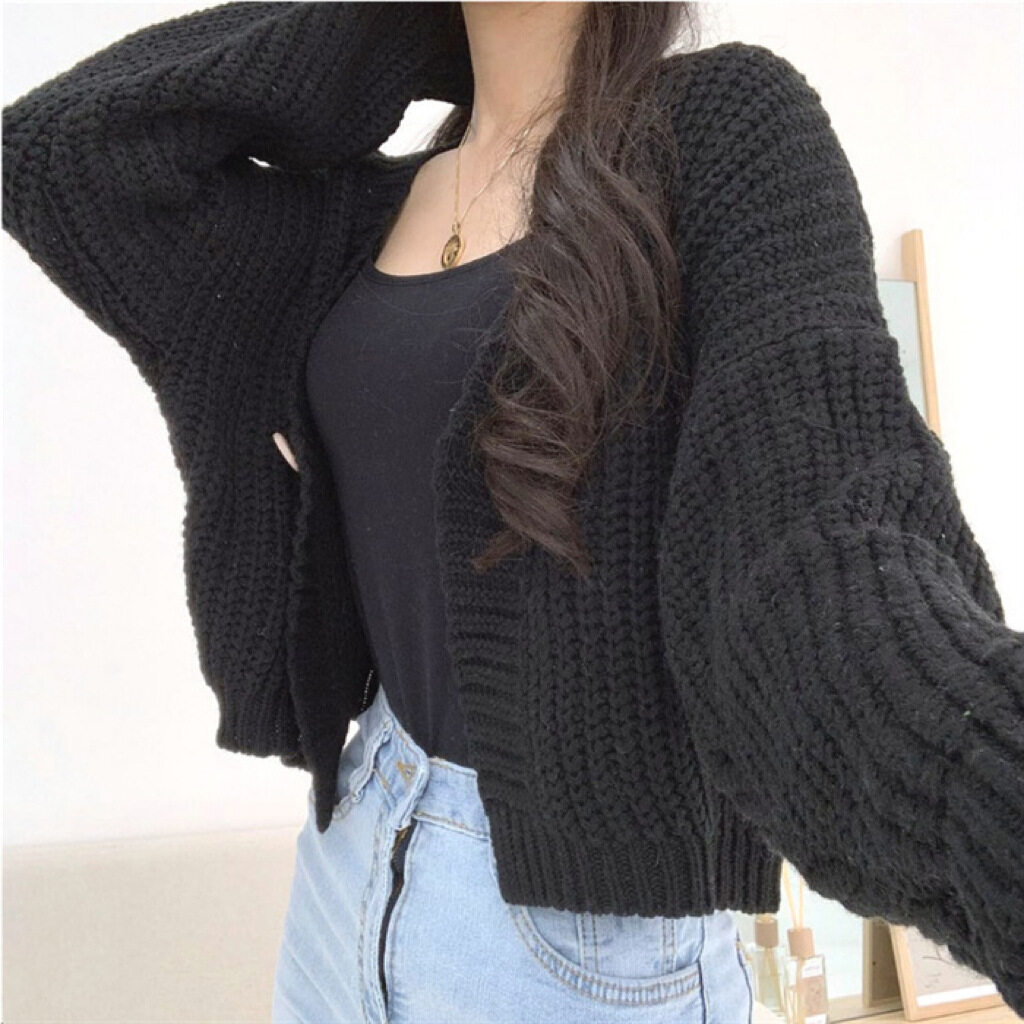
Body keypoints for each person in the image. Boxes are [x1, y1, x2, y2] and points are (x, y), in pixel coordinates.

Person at [3, 3, 1022, 1023]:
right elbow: (60, 156)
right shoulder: (364, 211)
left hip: (575, 954)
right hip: (347, 865)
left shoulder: (721, 128)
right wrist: (403, 31)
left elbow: (825, 536)